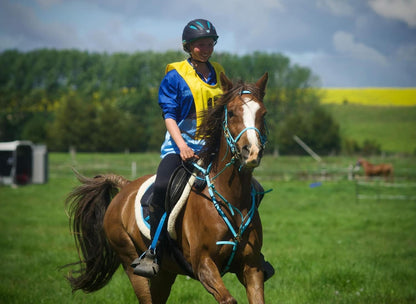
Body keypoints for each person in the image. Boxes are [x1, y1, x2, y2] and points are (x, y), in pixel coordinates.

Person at [132, 19, 274, 281]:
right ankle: (153, 251)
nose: (206, 48)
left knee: (254, 189)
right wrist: (182, 146)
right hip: (180, 148)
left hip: (213, 149)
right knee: (162, 187)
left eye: (210, 43)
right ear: (188, 46)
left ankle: (252, 253)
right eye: (200, 45)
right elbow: (169, 116)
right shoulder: (175, 76)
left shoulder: (218, 73)